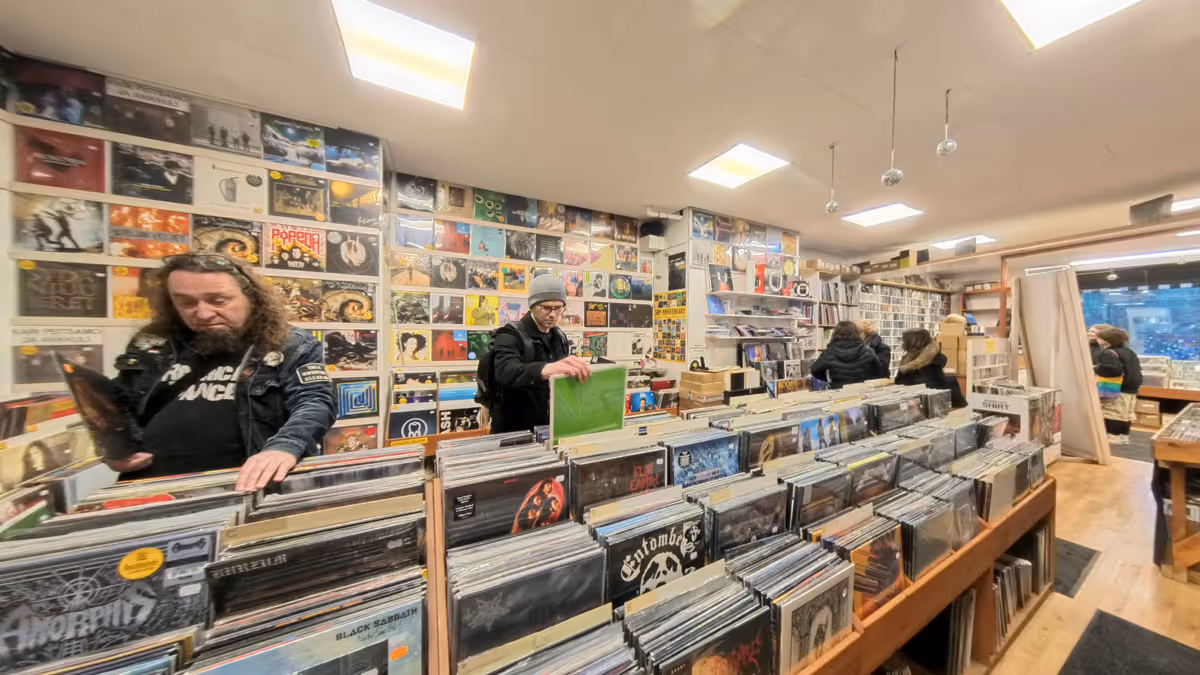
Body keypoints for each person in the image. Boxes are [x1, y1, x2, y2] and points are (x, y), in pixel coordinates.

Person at [106, 252, 337, 491]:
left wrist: (286, 446)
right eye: (186, 303)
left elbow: (315, 401)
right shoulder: (151, 343)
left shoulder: (290, 344)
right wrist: (116, 447)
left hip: (245, 487)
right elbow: (120, 404)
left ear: (252, 298)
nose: (203, 314)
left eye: (218, 301)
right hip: (151, 489)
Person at [489, 275, 591, 433]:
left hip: (549, 427)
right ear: (532, 306)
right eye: (546, 308)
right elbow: (505, 371)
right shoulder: (509, 334)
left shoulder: (558, 336)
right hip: (514, 431)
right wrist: (546, 369)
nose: (553, 314)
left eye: (558, 308)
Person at [893, 328, 967, 407]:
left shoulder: (931, 363)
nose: (903, 343)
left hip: (928, 403)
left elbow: (926, 386)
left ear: (914, 341)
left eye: (905, 340)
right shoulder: (910, 357)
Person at [1093, 326, 1142, 443]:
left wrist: (1096, 368)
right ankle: (1123, 436)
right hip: (1132, 387)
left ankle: (1113, 436)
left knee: (1113, 412)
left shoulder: (1108, 353)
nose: (1097, 339)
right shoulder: (1129, 351)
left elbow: (1113, 370)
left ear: (1106, 339)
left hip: (1117, 388)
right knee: (1126, 413)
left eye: (1099, 337)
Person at [811, 321, 887, 388]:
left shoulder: (829, 352)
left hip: (838, 390)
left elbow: (814, 370)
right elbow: (879, 371)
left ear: (835, 334)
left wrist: (828, 378)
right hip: (862, 390)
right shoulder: (867, 351)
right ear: (856, 333)